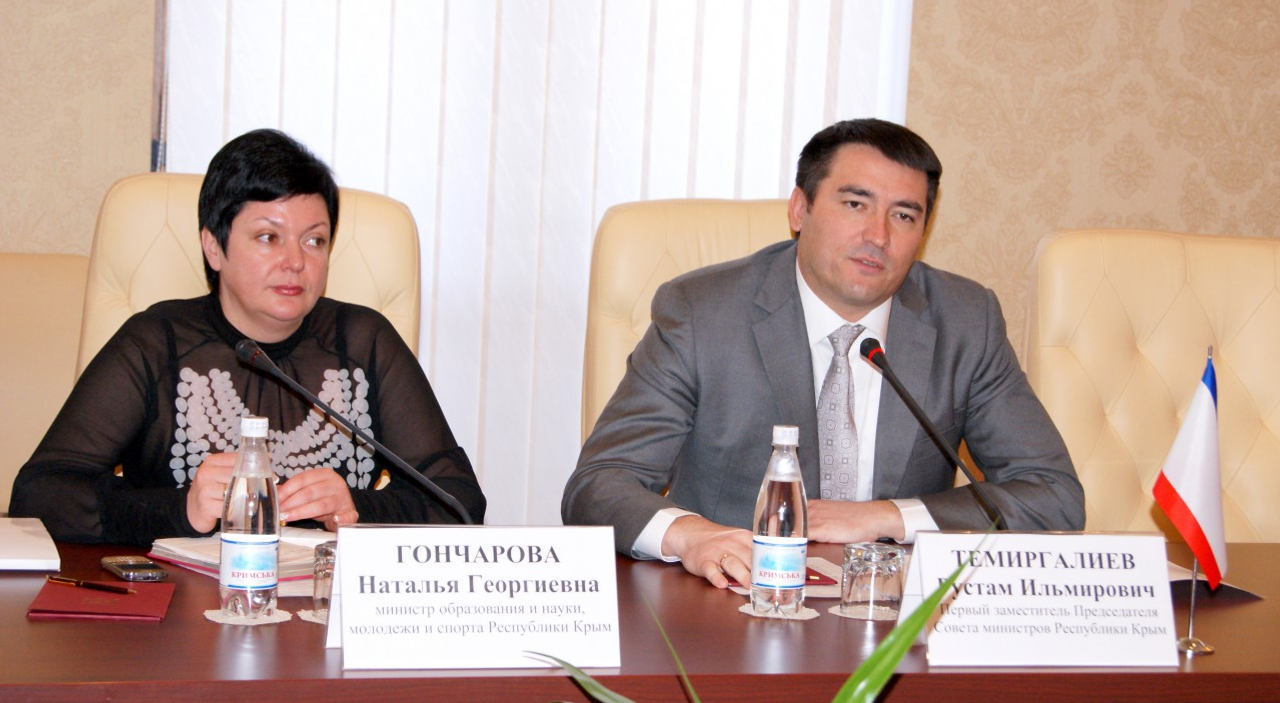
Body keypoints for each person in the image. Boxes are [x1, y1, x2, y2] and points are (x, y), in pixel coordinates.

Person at [562, 118, 1084, 588]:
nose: (878, 236)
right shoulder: (702, 312)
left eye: (904, 215)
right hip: (731, 603)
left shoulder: (965, 321)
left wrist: (887, 516)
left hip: (890, 613)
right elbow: (599, 485)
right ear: (799, 208)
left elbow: (1052, 495)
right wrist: (691, 535)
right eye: (855, 205)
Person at [11, 129, 485, 545]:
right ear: (213, 247)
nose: (295, 261)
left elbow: (460, 501)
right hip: (179, 607)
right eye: (268, 237)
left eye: (314, 240)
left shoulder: (363, 342)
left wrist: (357, 509)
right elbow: (40, 493)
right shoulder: (157, 342)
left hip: (324, 606)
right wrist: (181, 509)